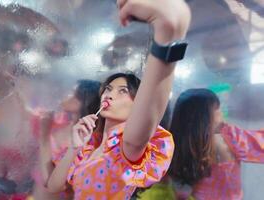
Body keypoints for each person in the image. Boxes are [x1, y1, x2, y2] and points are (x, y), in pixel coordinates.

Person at [44, 0, 191, 199]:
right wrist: (75, 146)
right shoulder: (90, 148)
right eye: (109, 89)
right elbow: (53, 186)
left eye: (123, 91)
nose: (109, 94)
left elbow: (148, 112)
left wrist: (168, 36)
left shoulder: (125, 148)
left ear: (137, 106)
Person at [167, 88, 264, 200]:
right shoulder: (230, 136)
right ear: (204, 118)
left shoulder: (175, 146)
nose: (221, 112)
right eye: (217, 108)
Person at [33, 79, 101, 200]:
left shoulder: (84, 140)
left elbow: (50, 183)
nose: (67, 95)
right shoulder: (61, 121)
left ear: (86, 103)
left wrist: (44, 135)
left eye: (74, 94)